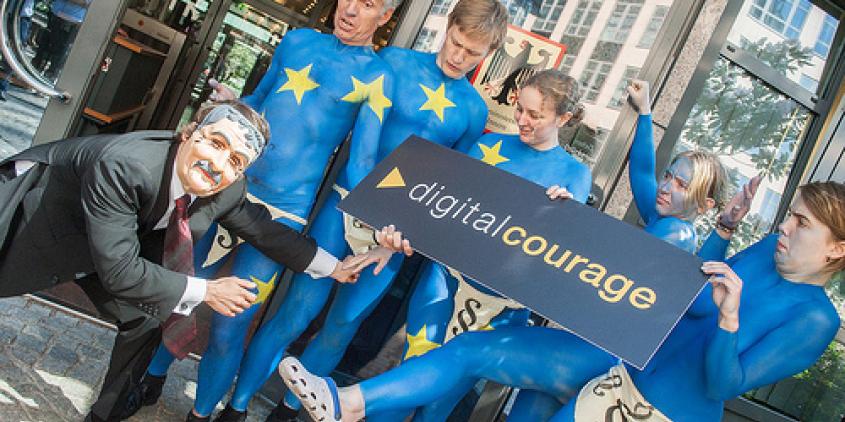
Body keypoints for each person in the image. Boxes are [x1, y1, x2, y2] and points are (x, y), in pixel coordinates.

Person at [276, 79, 745, 422]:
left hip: (574, 345)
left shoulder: (679, 237)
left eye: (682, 183)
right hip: (484, 299)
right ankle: (348, 405)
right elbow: (643, 174)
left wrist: (572, 220)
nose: (667, 185)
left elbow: (608, 265)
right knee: (432, 375)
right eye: (672, 173)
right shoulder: (662, 214)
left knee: (445, 383)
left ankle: (346, 405)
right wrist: (643, 115)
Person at [0, 101, 391, 422]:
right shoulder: (127, 165)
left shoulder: (224, 188)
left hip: (102, 245)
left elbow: (263, 231)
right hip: (33, 215)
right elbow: (120, 272)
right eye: (216, 144)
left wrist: (333, 266)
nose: (220, 165)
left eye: (236, 160)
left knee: (145, 317)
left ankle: (105, 415)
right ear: (189, 133)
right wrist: (207, 290)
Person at [136, 0, 402, 419]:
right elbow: (256, 101)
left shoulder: (377, 75)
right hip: (229, 191)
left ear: (385, 16)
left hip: (284, 215)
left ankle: (200, 415)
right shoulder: (296, 41)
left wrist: (383, 221)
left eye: (367, 4)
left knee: (230, 326)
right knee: (181, 294)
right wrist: (224, 107)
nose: (349, 9)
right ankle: (148, 380)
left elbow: (361, 161)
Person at [249, 1, 508, 420]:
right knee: (297, 310)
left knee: (340, 329)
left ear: (489, 53)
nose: (459, 58)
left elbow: (446, 189)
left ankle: (286, 412)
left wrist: (396, 242)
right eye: (457, 43)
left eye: (473, 53)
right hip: (344, 204)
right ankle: (240, 405)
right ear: (448, 26)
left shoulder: (474, 110)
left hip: (396, 235)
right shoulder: (394, 61)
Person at [393, 69, 593, 422]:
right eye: (520, 108)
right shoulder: (489, 145)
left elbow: (560, 253)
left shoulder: (574, 175)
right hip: (446, 277)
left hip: (502, 307)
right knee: (405, 384)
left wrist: (562, 214)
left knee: (439, 405)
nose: (522, 120)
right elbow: (440, 201)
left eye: (536, 115)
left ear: (563, 119)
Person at [31, 0, 91, 81]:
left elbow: (88, 4)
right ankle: (33, 74)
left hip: (73, 21)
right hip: (55, 14)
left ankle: (49, 78)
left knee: (59, 53)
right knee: (44, 46)